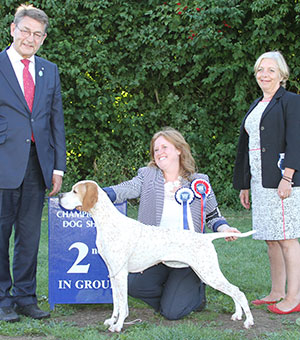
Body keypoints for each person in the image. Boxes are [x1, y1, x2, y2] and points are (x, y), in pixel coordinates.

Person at [104, 127, 240, 320]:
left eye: (164, 147)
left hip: (187, 255)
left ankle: (194, 293)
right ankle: (175, 294)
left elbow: (212, 215)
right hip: (154, 253)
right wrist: (99, 193)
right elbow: (127, 189)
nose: (159, 152)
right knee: (132, 285)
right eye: (156, 149)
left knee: (172, 313)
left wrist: (224, 228)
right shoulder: (147, 176)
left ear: (178, 149)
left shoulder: (199, 182)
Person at [0, 4, 66, 322]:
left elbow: (56, 122)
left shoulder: (49, 70)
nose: (30, 38)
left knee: (29, 236)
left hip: (38, 166)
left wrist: (57, 167)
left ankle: (25, 297)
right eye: (25, 30)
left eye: (37, 34)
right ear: (12, 29)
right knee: (0, 234)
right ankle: (1, 299)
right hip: (2, 163)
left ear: (43, 39)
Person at [233, 51, 300, 314]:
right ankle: (276, 291)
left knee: (287, 238)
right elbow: (247, 147)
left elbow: (296, 140)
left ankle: (294, 297)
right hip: (260, 182)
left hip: (283, 181)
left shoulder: (291, 101)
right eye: (260, 69)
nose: (264, 74)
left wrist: (288, 177)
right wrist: (245, 184)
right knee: (271, 239)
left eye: (271, 70)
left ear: (281, 74)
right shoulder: (257, 103)